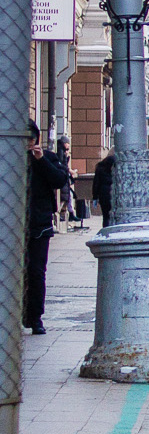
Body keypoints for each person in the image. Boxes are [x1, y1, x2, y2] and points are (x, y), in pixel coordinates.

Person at [25, 121, 69, 335]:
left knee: (36, 272)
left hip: (38, 224)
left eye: (30, 140)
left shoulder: (47, 158)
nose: (27, 144)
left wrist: (41, 160)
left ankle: (35, 318)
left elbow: (60, 180)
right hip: (11, 226)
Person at [92, 151, 115, 225]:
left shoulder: (100, 169)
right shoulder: (113, 172)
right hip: (112, 195)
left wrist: (95, 197)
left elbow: (96, 184)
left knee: (105, 216)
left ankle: (105, 229)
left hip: (103, 196)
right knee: (113, 215)